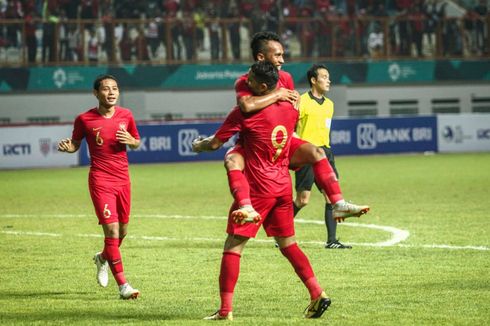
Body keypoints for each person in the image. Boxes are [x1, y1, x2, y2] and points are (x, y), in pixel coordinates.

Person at [193, 61, 331, 320]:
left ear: (263, 86)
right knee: (288, 244)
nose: (247, 84)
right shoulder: (291, 106)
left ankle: (225, 310)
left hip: (258, 188)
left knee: (233, 246)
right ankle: (317, 293)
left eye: (252, 82)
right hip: (282, 186)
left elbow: (215, 144)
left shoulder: (244, 112)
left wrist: (198, 146)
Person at [225, 31, 369, 224]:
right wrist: (278, 95)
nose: (282, 60)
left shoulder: (286, 78)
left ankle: (338, 204)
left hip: (282, 141)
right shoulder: (245, 81)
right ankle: (247, 207)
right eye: (277, 55)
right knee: (234, 161)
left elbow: (291, 110)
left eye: (282, 55)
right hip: (256, 144)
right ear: (261, 57)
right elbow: (247, 105)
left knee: (317, 153)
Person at [57, 74, 141, 300]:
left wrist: (131, 141)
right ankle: (123, 285)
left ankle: (103, 257)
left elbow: (136, 140)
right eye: (106, 89)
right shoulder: (84, 119)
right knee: (112, 231)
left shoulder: (127, 115)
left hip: (123, 179)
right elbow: (75, 143)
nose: (111, 92)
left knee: (122, 232)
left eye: (115, 88)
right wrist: (69, 147)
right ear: (96, 93)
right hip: (101, 180)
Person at [294, 64, 357, 249]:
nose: (328, 80)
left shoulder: (330, 105)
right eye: (324, 76)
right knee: (302, 200)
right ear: (313, 80)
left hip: (325, 153)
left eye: (329, 77)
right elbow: (291, 129)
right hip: (306, 153)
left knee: (331, 197)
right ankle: (279, 231)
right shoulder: (302, 101)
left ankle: (332, 241)